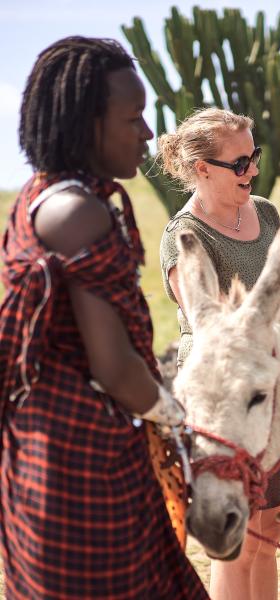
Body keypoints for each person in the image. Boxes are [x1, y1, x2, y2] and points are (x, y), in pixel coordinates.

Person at [0, 36, 208, 598]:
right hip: (81, 465)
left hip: (44, 453)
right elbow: (114, 368)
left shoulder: (40, 197)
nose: (146, 133)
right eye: (133, 117)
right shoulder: (78, 213)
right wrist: (175, 419)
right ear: (86, 123)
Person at [158, 107, 280, 600]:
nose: (253, 171)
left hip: (269, 390)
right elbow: (215, 330)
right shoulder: (185, 237)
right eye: (239, 163)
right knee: (237, 543)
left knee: (268, 535)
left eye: (254, 157)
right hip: (224, 404)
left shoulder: (263, 211)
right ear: (202, 169)